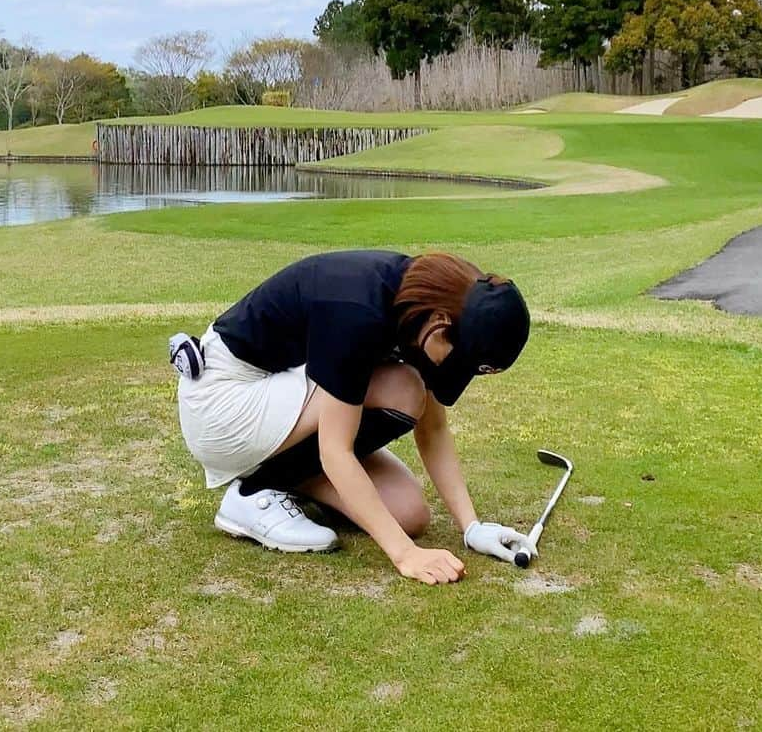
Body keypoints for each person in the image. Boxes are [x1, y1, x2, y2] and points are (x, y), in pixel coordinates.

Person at [173, 249, 534, 586]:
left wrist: (471, 527)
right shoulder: (358, 310)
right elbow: (336, 450)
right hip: (223, 407)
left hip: (277, 405)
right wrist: (405, 555)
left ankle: (283, 479)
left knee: (409, 515)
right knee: (403, 389)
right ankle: (252, 493)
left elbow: (433, 427)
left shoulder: (427, 310)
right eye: (458, 360)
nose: (453, 371)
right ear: (440, 323)